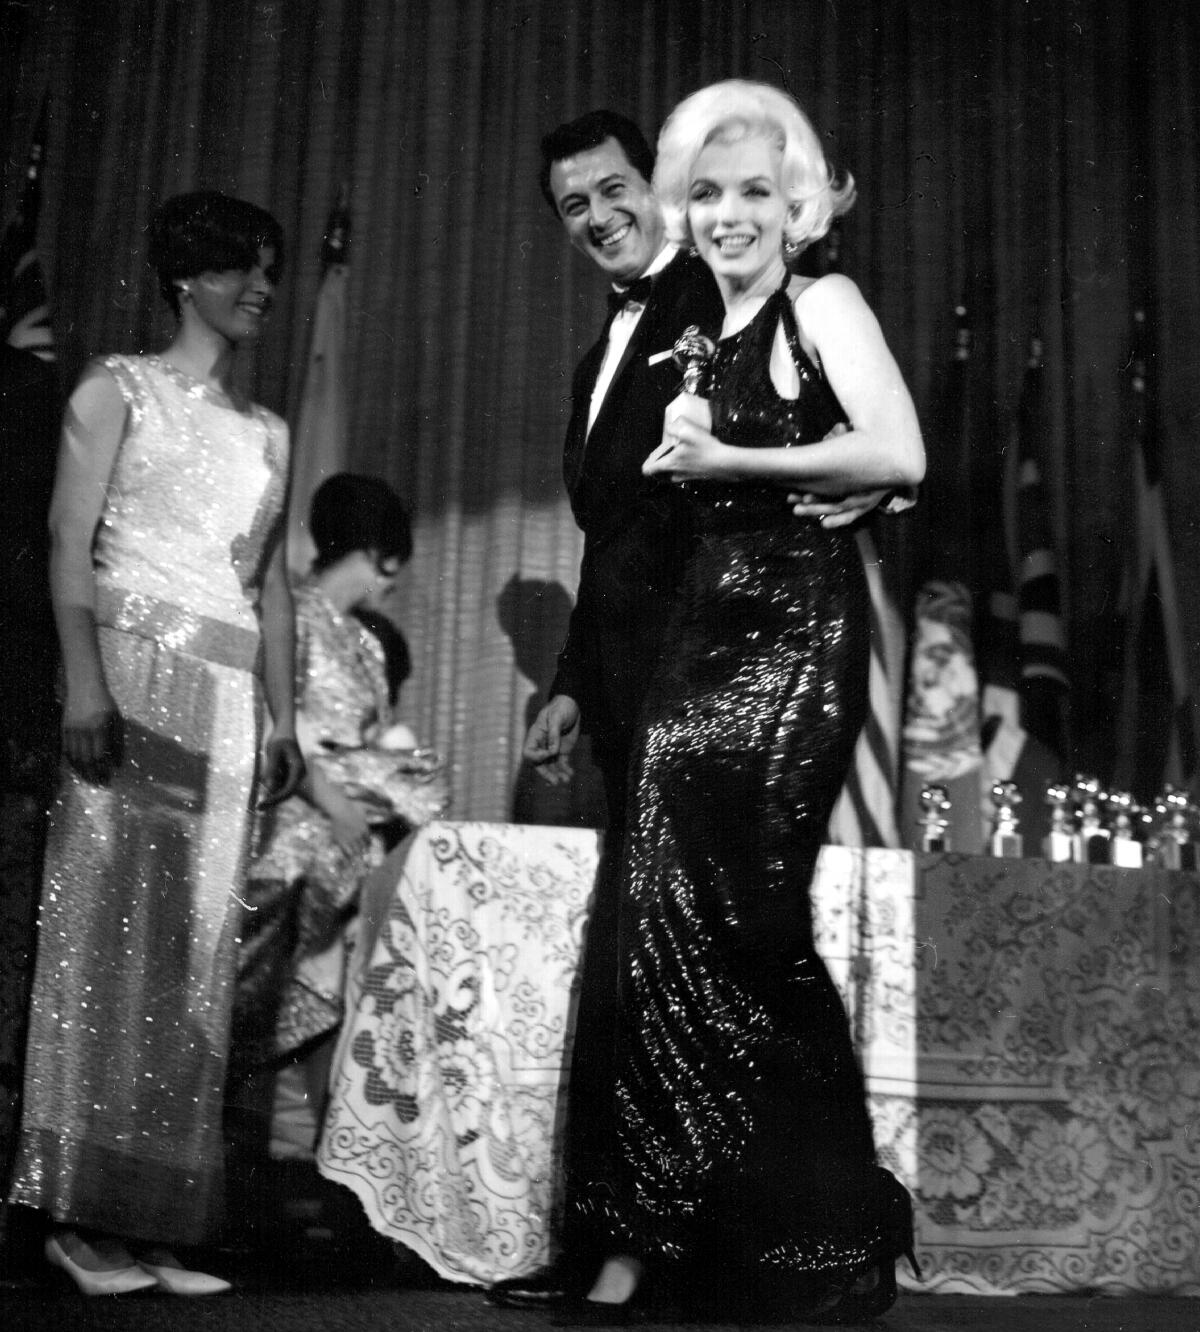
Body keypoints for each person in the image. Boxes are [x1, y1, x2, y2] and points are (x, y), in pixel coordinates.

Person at [492, 110, 901, 1312]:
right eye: (576, 207)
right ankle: (640, 1240)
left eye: (617, 191)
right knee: (648, 964)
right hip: (637, 686)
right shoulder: (602, 355)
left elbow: (847, 439)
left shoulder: (717, 293)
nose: (601, 218)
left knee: (728, 948)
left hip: (734, 667)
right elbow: (611, 538)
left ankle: (724, 1244)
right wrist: (572, 682)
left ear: (659, 194)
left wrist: (857, 498)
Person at [6, 191, 305, 1296]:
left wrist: (280, 711)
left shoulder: (268, 431)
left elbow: (268, 582)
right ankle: (78, 1223)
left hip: (227, 703)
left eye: (271, 270)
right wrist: (84, 683)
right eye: (246, 269)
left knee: (189, 960)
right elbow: (66, 545)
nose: (264, 288)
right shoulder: (114, 390)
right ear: (190, 277)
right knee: (108, 942)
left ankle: (148, 1220)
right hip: (132, 680)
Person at [230, 472, 446, 1161]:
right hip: (292, 822)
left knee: (349, 999)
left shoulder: (370, 644)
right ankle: (245, 1163)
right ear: (382, 553)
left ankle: (331, 1167)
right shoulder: (288, 615)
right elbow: (271, 725)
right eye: (392, 565)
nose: (392, 581)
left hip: (354, 839)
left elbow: (376, 742)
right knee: (259, 997)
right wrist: (339, 800)